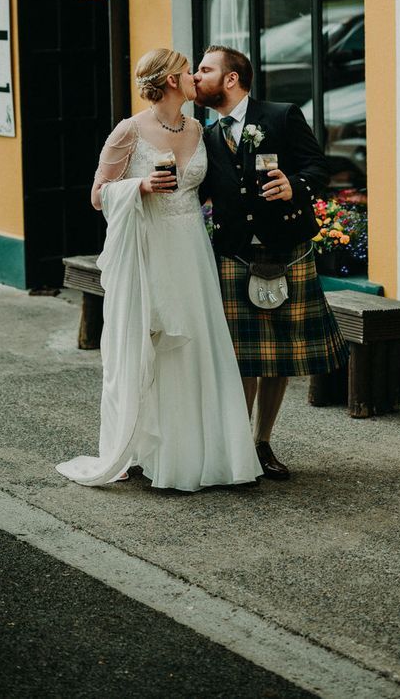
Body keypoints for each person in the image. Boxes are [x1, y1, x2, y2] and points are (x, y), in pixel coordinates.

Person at [56, 48, 261, 492]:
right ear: (171, 80)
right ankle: (155, 453)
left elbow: (210, 191)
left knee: (196, 343)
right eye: (189, 71)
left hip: (192, 250)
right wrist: (141, 186)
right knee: (154, 343)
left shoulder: (198, 130)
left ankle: (208, 456)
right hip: (150, 248)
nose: (195, 78)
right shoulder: (129, 131)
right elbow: (97, 194)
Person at [195, 45, 347, 481]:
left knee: (277, 356)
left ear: (231, 79)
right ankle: (237, 445)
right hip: (234, 252)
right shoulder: (203, 135)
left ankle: (261, 442)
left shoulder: (281, 116)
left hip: (286, 249)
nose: (197, 77)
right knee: (241, 357)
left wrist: (294, 185)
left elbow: (318, 168)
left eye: (205, 70)